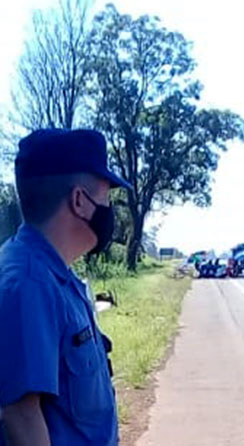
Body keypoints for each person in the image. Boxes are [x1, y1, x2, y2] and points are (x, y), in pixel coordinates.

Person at [1, 129, 130, 446]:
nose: (109, 210)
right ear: (79, 201)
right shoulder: (28, 286)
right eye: (105, 198)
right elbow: (22, 418)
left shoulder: (57, 278)